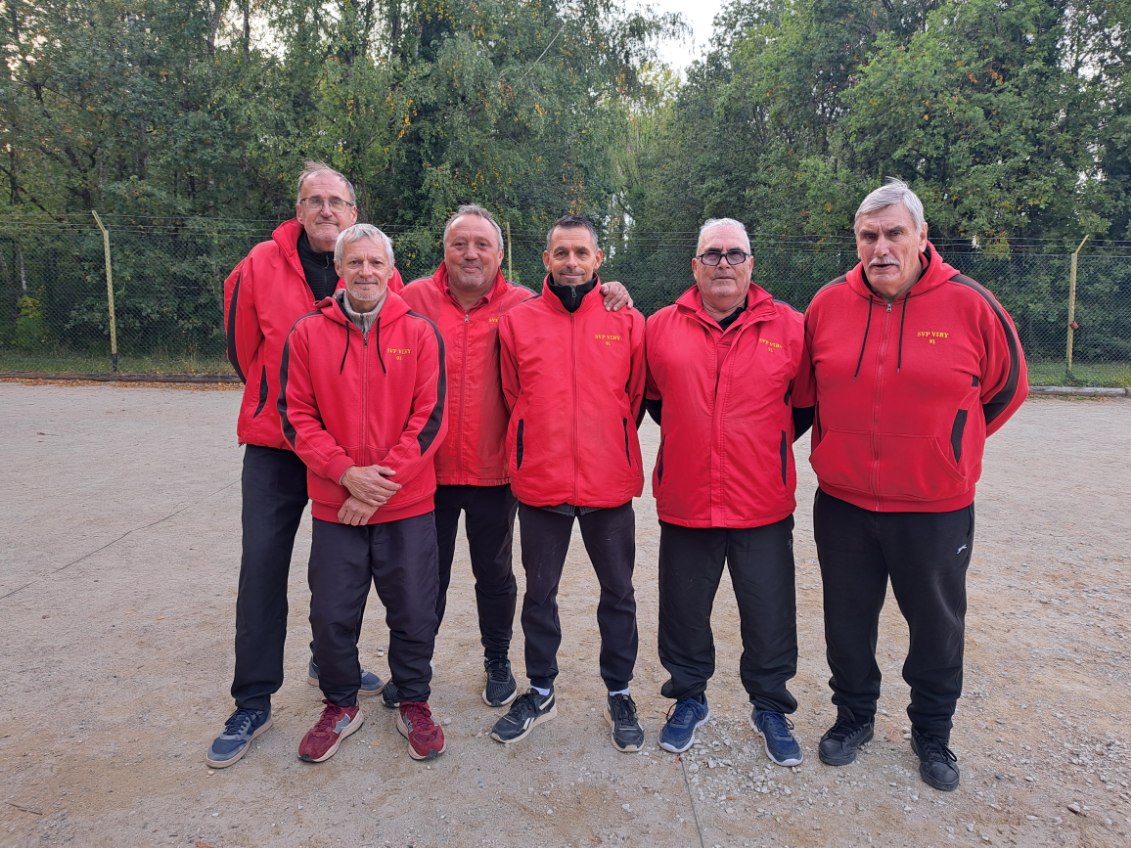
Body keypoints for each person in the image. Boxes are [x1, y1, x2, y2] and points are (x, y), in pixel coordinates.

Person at [805, 178, 1027, 791]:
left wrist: (950, 448)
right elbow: (807, 390)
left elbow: (1006, 390)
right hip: (845, 504)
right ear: (856, 240)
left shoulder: (970, 304)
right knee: (847, 621)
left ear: (921, 236)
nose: (881, 247)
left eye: (894, 233)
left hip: (935, 508)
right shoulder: (826, 305)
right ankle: (853, 719)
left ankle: (932, 733)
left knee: (936, 624)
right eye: (869, 236)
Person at [398, 204, 632, 711]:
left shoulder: (522, 304)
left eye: (482, 244)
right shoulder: (412, 298)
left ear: (500, 255)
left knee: (497, 576)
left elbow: (622, 395)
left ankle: (498, 659)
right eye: (460, 243)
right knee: (421, 576)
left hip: (493, 473)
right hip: (428, 470)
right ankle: (414, 667)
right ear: (445, 249)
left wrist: (615, 292)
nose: (470, 253)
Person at [208, 162, 397, 768]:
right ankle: (253, 700)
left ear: (353, 209)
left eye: (336, 201)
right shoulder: (257, 268)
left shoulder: (368, 268)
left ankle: (329, 662)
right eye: (313, 200)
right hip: (274, 450)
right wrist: (275, 406)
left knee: (339, 572)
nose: (325, 210)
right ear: (298, 208)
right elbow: (245, 352)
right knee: (262, 567)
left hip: (344, 456)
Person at [645, 218, 813, 765]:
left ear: (751, 264)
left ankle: (770, 706)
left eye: (734, 254)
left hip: (760, 501)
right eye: (712, 254)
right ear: (694, 265)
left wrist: (759, 448)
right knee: (684, 609)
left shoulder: (790, 327)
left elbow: (804, 406)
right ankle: (688, 697)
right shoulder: (660, 327)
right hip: (688, 498)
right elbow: (654, 401)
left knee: (768, 610)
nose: (723, 263)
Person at [278, 223, 448, 763]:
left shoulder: (420, 333)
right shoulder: (307, 333)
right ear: (340, 269)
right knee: (331, 613)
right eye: (356, 263)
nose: (366, 272)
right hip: (336, 505)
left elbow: (430, 420)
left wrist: (374, 487)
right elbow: (295, 416)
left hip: (406, 506)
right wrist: (345, 474)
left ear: (389, 269)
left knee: (415, 610)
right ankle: (340, 703)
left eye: (376, 262)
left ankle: (414, 700)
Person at [492, 215, 646, 752]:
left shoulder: (627, 321)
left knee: (619, 593)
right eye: (562, 253)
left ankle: (620, 691)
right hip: (542, 482)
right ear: (546, 260)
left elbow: (635, 394)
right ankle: (539, 688)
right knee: (540, 594)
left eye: (582, 253)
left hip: (608, 483)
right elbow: (514, 395)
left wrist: (610, 438)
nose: (572, 262)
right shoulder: (517, 322)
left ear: (598, 260)